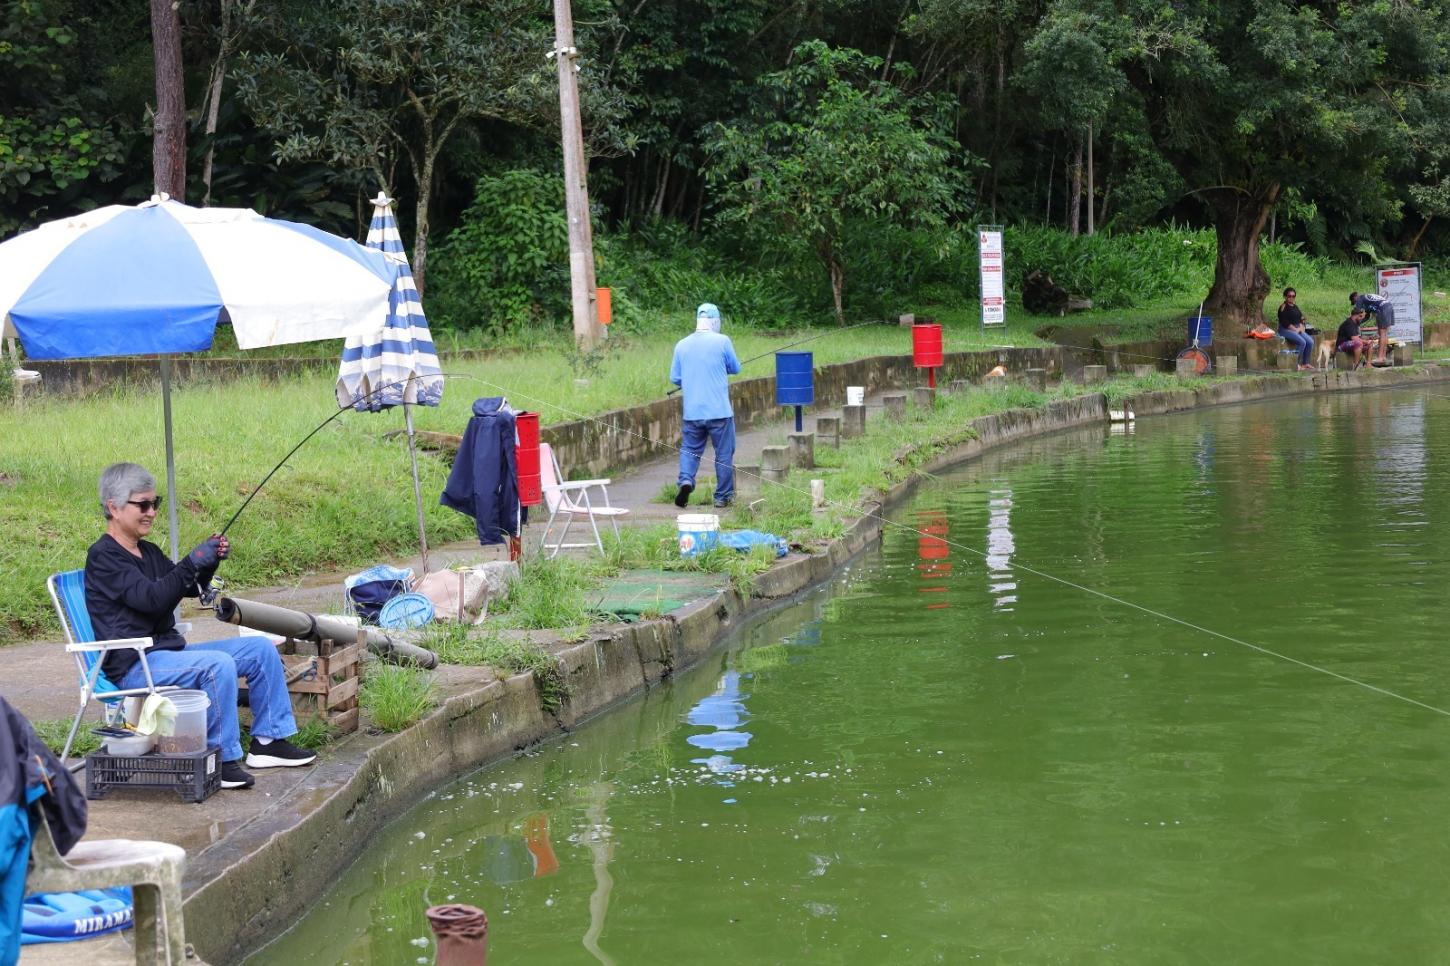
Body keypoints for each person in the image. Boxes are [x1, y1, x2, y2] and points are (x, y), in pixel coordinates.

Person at [84, 463, 316, 791]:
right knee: (216, 665)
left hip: (167, 653)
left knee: (259, 649)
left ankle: (268, 742)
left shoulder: (147, 551)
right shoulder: (104, 557)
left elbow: (185, 587)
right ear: (113, 506)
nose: (152, 512)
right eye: (143, 505)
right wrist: (191, 562)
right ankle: (219, 759)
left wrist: (207, 564)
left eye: (156, 503)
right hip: (136, 665)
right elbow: (152, 599)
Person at [670, 303, 741, 509]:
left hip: (692, 412)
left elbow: (675, 377)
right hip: (719, 412)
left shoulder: (681, 344)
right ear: (716, 321)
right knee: (724, 453)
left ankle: (685, 481)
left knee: (690, 449)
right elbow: (735, 367)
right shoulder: (722, 341)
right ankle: (722, 496)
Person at [1276, 287, 1316, 370]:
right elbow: (1285, 322)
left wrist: (1302, 327)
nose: (1291, 298)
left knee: (1310, 341)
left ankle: (1305, 363)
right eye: (1289, 296)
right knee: (1302, 342)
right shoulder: (1283, 307)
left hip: (1297, 328)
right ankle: (1295, 364)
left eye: (1293, 296)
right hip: (1285, 329)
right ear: (1285, 296)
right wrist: (1295, 329)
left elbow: (1301, 318)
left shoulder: (1295, 307)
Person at [1349, 291, 1394, 366]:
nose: (1356, 304)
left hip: (1382, 309)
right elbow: (1367, 317)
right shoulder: (1366, 300)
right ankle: (1383, 357)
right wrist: (1359, 323)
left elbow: (1356, 313)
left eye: (1354, 302)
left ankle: (1379, 357)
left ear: (1354, 298)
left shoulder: (1359, 299)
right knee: (1385, 334)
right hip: (1389, 306)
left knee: (1382, 333)